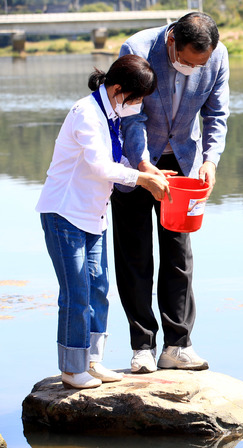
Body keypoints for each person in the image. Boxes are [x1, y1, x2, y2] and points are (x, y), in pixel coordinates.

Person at [36, 55, 170, 389]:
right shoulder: (86, 113)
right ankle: (71, 369)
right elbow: (99, 166)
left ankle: (91, 361)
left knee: (98, 288)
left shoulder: (108, 113)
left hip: (93, 215)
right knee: (76, 293)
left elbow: (115, 159)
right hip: (64, 214)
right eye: (136, 98)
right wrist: (141, 179)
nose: (138, 105)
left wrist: (146, 169)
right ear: (117, 88)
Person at [111, 11, 230, 373]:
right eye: (187, 62)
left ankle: (177, 345)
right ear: (172, 41)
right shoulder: (137, 48)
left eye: (201, 64)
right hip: (136, 164)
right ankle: (142, 346)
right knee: (135, 253)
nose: (193, 68)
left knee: (179, 253)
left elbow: (217, 113)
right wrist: (143, 168)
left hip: (183, 162)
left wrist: (210, 161)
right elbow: (131, 116)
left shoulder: (219, 55)